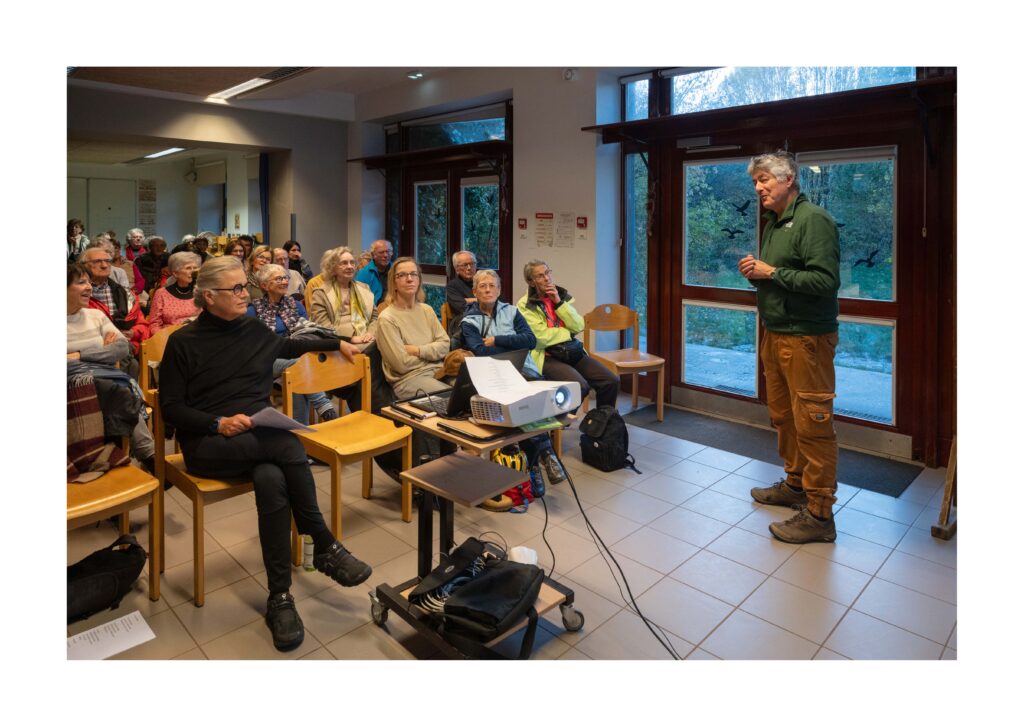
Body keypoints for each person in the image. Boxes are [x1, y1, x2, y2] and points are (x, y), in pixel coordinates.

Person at [158, 256, 371, 652]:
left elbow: (292, 342)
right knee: (289, 443)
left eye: (246, 287)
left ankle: (280, 598)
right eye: (236, 289)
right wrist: (217, 423)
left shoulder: (253, 329)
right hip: (208, 443)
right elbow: (170, 408)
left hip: (254, 439)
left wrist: (339, 342)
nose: (246, 294)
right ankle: (322, 541)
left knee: (272, 478)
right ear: (209, 296)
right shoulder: (183, 343)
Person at [738, 150, 841, 545]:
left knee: (813, 423)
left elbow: (824, 281)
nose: (759, 187)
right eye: (755, 182)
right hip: (776, 333)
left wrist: (773, 272)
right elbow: (781, 278)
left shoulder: (814, 220)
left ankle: (819, 513)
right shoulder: (774, 223)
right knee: (783, 416)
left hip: (806, 338)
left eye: (764, 180)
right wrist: (758, 275)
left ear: (788, 180)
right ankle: (795, 484)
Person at [461, 269, 565, 492]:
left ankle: (537, 459)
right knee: (520, 403)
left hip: (523, 369)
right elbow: (479, 351)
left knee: (529, 398)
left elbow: (529, 341)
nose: (488, 290)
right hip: (492, 376)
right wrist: (511, 343)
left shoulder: (512, 311)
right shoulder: (469, 321)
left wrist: (497, 340)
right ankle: (540, 458)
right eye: (482, 286)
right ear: (475, 292)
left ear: (499, 290)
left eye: (492, 285)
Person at [67, 263, 155, 474]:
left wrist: (79, 355)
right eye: (81, 282)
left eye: (89, 281)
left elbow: (121, 348)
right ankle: (148, 456)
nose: (89, 287)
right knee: (118, 391)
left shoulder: (95, 316)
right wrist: (100, 351)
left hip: (104, 383)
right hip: (72, 388)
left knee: (116, 390)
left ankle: (124, 463)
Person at [517, 259, 619, 409]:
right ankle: (557, 426)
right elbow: (540, 338)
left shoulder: (561, 296)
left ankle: (602, 426)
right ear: (531, 282)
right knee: (579, 387)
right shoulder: (524, 305)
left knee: (610, 381)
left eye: (547, 273)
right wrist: (567, 332)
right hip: (546, 355)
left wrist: (558, 302)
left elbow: (578, 325)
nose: (546, 278)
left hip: (569, 351)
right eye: (539, 276)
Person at [246, 263, 339, 424]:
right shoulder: (253, 310)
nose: (284, 281)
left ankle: (299, 430)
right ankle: (323, 405)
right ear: (264, 285)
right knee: (300, 365)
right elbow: (251, 345)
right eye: (278, 278)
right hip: (265, 360)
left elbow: (307, 332)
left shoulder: (295, 306)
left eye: (285, 277)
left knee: (298, 371)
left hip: (296, 356)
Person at [308, 247, 393, 414]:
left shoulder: (364, 288)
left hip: (368, 341)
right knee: (374, 359)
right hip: (339, 347)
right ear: (333, 267)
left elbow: (375, 318)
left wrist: (371, 333)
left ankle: (370, 411)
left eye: (352, 262)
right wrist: (351, 339)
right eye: (343, 263)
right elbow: (322, 327)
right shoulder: (321, 293)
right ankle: (377, 413)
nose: (349, 266)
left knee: (381, 352)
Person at [375, 256, 450, 399]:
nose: (409, 279)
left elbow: (445, 345)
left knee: (472, 391)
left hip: (440, 370)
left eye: (413, 274)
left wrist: (418, 350)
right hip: (408, 379)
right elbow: (401, 365)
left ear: (419, 279)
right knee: (450, 398)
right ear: (394, 283)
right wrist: (434, 354)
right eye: (402, 275)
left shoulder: (427, 310)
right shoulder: (387, 318)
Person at [79, 246, 150, 371]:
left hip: (125, 346)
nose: (104, 265)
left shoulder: (125, 294)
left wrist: (133, 332)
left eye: (107, 261)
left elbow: (143, 326)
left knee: (131, 362)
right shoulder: (78, 294)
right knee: (131, 364)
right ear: (83, 266)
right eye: (97, 261)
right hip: (92, 348)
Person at [148, 251, 201, 331]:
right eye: (188, 268)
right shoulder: (161, 293)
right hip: (170, 337)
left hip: (196, 334)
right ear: (175, 273)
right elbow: (154, 323)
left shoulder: (202, 292)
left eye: (195, 268)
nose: (193, 272)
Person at [445, 250, 478, 335]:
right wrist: (483, 301)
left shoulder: (483, 282)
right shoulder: (452, 286)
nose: (469, 268)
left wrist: (469, 300)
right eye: (465, 265)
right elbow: (462, 307)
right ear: (456, 269)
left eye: (472, 264)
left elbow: (499, 301)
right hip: (462, 325)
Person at [354, 239, 393, 307]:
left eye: (388, 251)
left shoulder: (396, 271)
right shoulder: (363, 274)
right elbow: (359, 302)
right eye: (381, 252)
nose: (386, 255)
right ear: (373, 255)